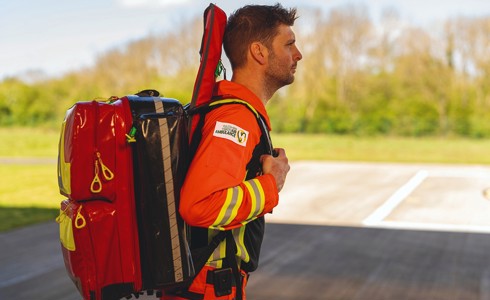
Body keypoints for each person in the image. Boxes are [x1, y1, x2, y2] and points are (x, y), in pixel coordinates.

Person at [164, 3, 302, 299]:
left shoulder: (235, 111)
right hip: (207, 289)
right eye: (289, 44)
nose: (298, 54)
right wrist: (270, 185)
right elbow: (198, 205)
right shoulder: (235, 119)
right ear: (259, 52)